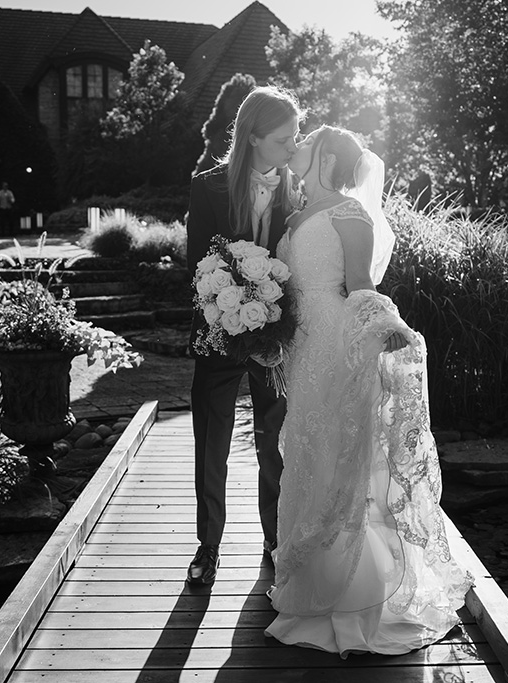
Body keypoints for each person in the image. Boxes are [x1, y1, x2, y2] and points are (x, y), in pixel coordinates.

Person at [265, 125, 474, 656]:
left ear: (327, 155)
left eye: (306, 140)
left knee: (342, 454)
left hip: (339, 343)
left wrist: (388, 326)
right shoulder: (291, 217)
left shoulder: (348, 214)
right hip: (304, 348)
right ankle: (310, 585)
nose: (297, 145)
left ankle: (355, 595)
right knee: (308, 452)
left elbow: (361, 284)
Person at [185, 86, 302, 586]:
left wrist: (273, 315)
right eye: (284, 139)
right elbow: (196, 266)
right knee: (212, 441)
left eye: (296, 137)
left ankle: (274, 540)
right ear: (253, 137)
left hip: (274, 338)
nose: (294, 148)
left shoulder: (298, 187)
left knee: (272, 441)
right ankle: (207, 547)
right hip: (220, 330)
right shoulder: (207, 186)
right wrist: (226, 308)